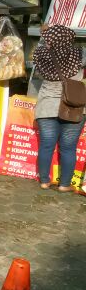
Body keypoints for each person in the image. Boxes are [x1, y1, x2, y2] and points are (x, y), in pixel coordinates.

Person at [33, 25, 85, 191]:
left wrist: (45, 34)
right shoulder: (79, 53)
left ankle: (44, 181)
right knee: (68, 148)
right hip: (73, 106)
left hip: (47, 107)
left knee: (46, 145)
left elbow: (43, 45)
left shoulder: (40, 54)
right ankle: (64, 185)